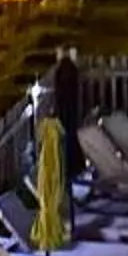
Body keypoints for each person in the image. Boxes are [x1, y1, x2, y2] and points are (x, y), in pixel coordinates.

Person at [51, 43, 83, 181]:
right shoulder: (71, 71)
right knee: (71, 138)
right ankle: (73, 167)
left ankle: (69, 168)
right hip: (72, 113)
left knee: (66, 141)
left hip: (64, 113)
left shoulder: (62, 72)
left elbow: (59, 95)